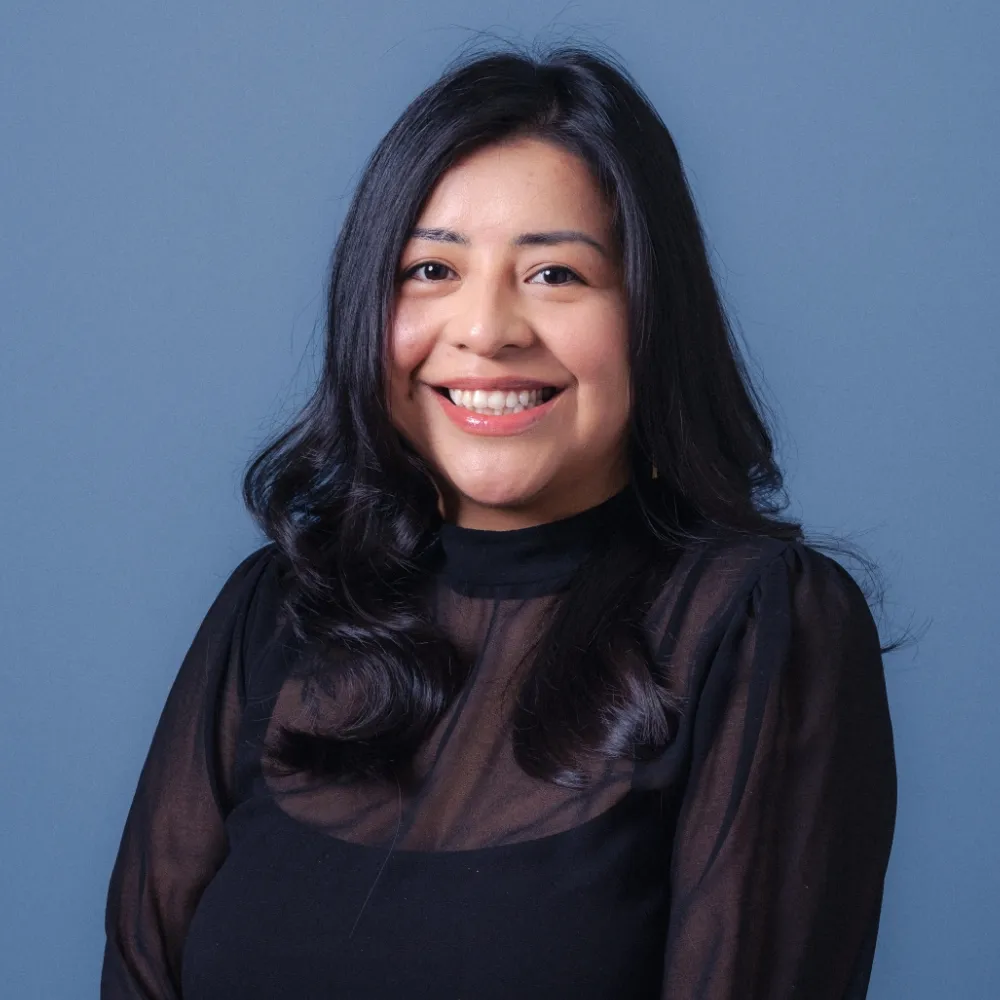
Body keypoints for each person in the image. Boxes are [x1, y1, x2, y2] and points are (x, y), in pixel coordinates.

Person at [100, 44, 899, 1000]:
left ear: (650, 313)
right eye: (431, 268)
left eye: (555, 274)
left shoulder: (758, 624)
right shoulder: (276, 611)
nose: (486, 330)